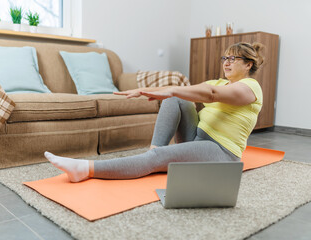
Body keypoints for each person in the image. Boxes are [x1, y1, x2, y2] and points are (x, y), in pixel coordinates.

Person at [44, 42, 264, 183]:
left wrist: (171, 89)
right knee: (177, 98)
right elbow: (187, 92)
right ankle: (154, 152)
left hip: (221, 151)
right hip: (197, 137)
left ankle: (84, 169)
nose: (226, 63)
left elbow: (211, 94)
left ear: (248, 64)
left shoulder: (251, 88)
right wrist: (142, 90)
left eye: (232, 59)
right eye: (225, 58)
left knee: (176, 94)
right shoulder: (219, 81)